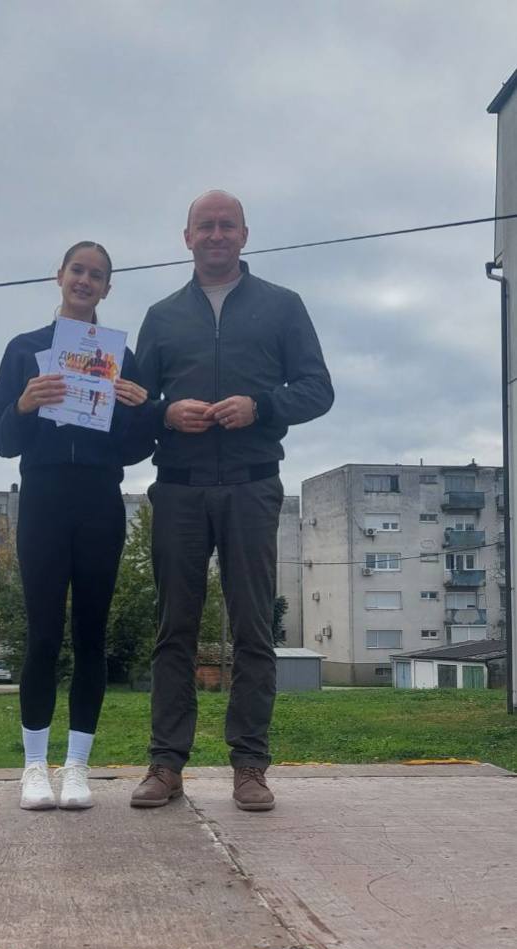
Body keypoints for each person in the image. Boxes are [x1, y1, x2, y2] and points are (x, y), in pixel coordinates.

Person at [132, 190, 333, 811]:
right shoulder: (161, 316)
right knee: (174, 629)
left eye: (226, 225)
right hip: (179, 488)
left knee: (253, 627)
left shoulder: (282, 306)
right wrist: (167, 412)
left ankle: (250, 766)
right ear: (186, 237)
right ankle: (166, 764)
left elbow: (318, 389)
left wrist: (261, 406)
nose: (216, 235)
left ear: (245, 234)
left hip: (252, 484)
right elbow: (135, 404)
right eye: (205, 226)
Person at [0, 241, 155, 811]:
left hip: (100, 502)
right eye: (77, 270)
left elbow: (136, 448)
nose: (85, 280)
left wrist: (140, 408)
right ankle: (34, 766)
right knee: (41, 635)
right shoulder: (24, 349)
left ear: (108, 287)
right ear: (58, 275)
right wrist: (24, 405)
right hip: (43, 499)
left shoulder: (121, 356)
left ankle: (77, 765)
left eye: (97, 275)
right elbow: (0, 440)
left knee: (90, 636)